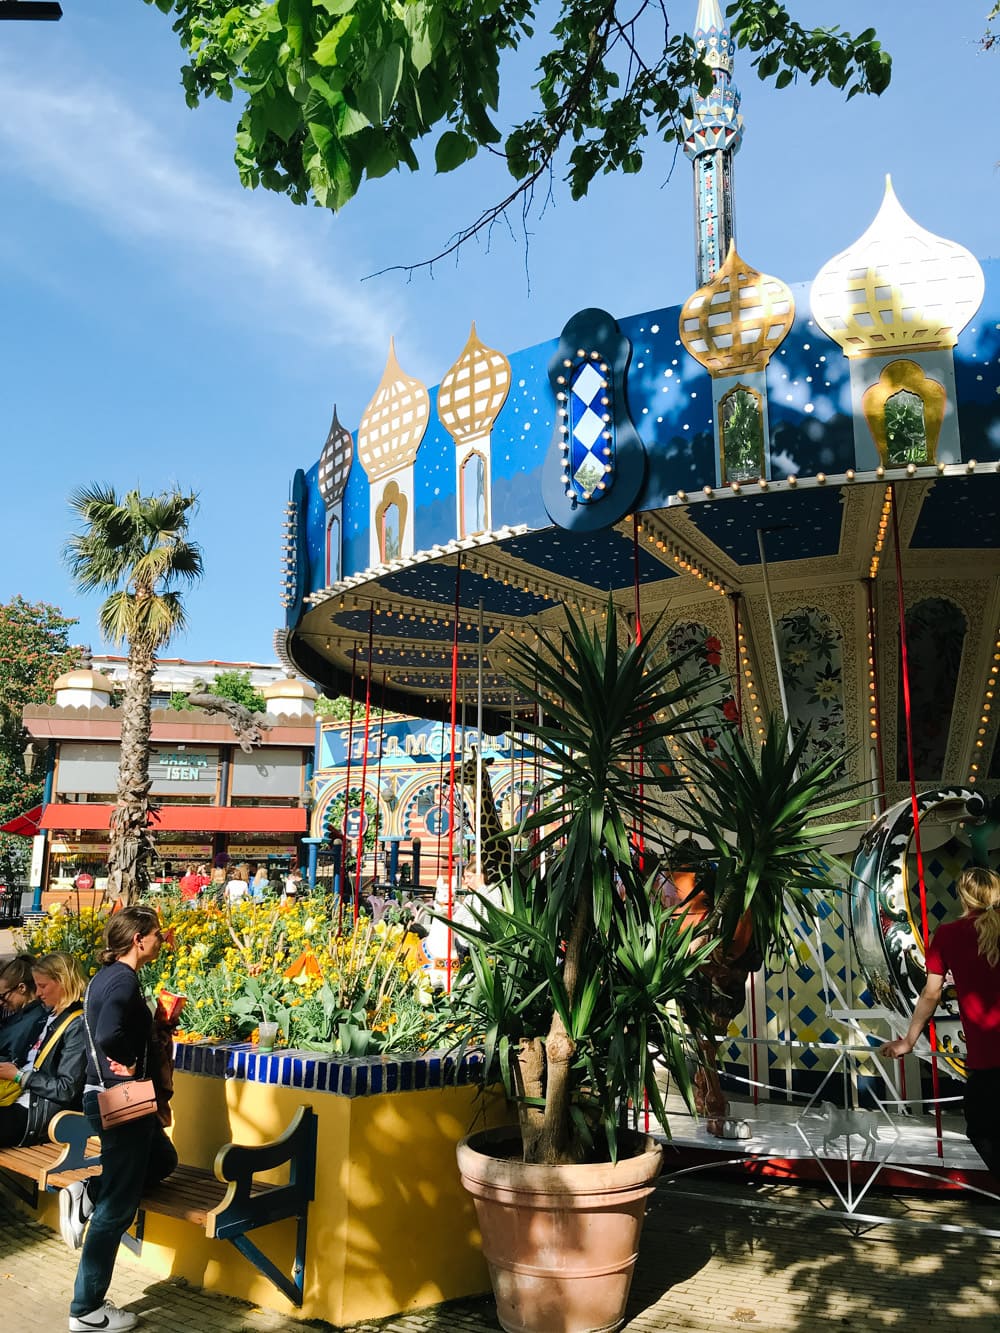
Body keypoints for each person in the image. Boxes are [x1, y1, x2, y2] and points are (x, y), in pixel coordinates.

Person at [62, 906, 178, 1332]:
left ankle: (89, 1191)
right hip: (121, 1099)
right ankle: (87, 1310)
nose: (161, 939)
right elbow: (110, 1033)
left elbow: (113, 1028)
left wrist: (152, 1031)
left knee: (164, 1160)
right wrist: (126, 1059)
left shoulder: (108, 978)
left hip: (117, 1098)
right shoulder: (125, 981)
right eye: (157, 934)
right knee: (117, 1208)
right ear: (138, 939)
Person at [881, 866, 1000, 1178]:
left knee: (982, 1129)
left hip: (988, 1058)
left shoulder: (948, 935)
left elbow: (931, 994)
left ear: (961, 895)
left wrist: (908, 1040)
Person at [0, 952, 86, 1146]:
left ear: (63, 982)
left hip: (34, 1115)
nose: (38, 993)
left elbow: (66, 1089)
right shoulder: (49, 1016)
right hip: (18, 1102)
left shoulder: (75, 1025)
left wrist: (19, 1076)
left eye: (43, 986)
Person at [0, 954, 47, 1063]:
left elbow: (15, 1058)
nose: (1, 1002)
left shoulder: (34, 1019)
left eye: (3, 996)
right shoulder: (24, 1015)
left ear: (22, 988)